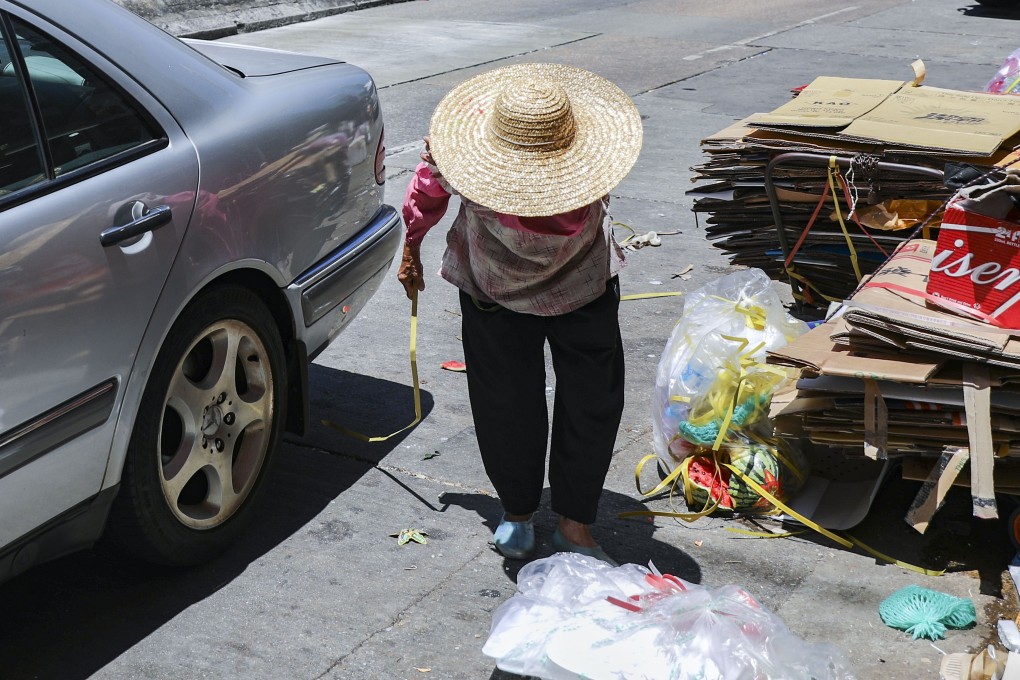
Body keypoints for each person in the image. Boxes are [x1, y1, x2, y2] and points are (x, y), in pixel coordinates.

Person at [397, 63, 643, 564]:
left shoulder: (459, 155)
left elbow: (427, 190)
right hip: (553, 288)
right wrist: (412, 246)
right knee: (577, 400)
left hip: (516, 288)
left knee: (509, 398)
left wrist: (412, 247)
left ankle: (525, 517)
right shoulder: (591, 154)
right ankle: (556, 521)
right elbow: (431, 186)